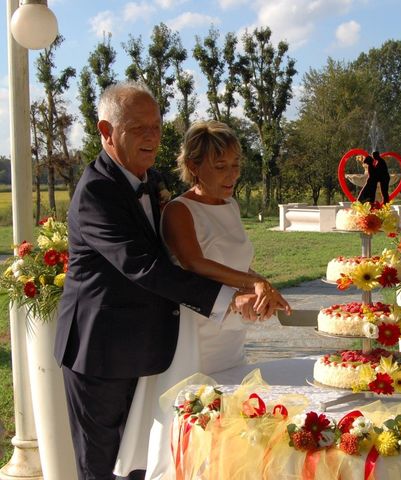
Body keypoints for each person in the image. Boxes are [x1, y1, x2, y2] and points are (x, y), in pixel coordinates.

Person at [53, 82, 268, 480]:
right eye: (138, 128)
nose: (152, 136)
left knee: (141, 459)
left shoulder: (149, 182)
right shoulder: (97, 191)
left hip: (146, 347)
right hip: (99, 352)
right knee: (100, 467)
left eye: (156, 125)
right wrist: (227, 299)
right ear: (106, 131)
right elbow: (144, 267)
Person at [114, 120, 290, 479]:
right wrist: (254, 282)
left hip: (230, 331)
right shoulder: (180, 210)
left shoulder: (232, 206)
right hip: (194, 332)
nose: (232, 175)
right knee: (194, 421)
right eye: (220, 166)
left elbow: (237, 262)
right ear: (194, 167)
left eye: (236, 165)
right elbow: (195, 263)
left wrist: (258, 290)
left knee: (229, 421)